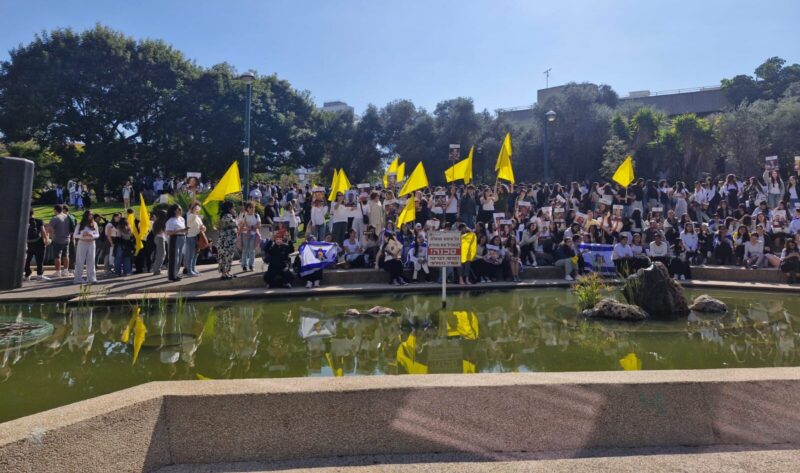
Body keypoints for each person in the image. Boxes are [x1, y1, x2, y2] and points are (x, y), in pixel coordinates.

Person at [72, 210, 99, 284]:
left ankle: (91, 278)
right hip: (82, 243)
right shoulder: (80, 224)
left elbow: (97, 234)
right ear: (86, 215)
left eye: (92, 215)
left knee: (91, 261)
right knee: (80, 261)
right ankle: (78, 279)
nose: (91, 216)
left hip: (92, 243)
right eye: (90, 214)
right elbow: (75, 235)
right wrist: (82, 235)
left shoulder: (94, 224)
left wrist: (92, 235)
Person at [25, 210, 49, 281]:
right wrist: (46, 240)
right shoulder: (39, 221)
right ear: (33, 213)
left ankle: (27, 275)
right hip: (39, 243)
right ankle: (39, 275)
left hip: (29, 243)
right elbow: (43, 231)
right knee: (40, 260)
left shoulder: (24, 221)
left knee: (27, 260)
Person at [165, 204, 188, 281]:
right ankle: (172, 276)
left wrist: (185, 230)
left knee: (180, 257)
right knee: (175, 258)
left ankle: (176, 274)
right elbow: (168, 232)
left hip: (182, 237)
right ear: (174, 211)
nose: (180, 211)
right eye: (179, 209)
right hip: (175, 238)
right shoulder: (170, 220)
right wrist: (179, 231)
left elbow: (183, 228)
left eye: (181, 209)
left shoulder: (182, 219)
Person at [48, 205, 72, 278]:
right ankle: (65, 271)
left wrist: (50, 237)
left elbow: (49, 229)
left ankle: (58, 271)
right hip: (67, 238)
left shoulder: (55, 218)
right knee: (66, 255)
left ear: (55, 210)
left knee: (57, 256)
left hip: (57, 239)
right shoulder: (68, 217)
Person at [217, 201, 238, 280]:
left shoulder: (228, 215)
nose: (234, 208)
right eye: (233, 207)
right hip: (226, 241)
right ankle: (224, 274)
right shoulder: (227, 216)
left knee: (229, 256)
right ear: (229, 208)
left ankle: (227, 272)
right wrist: (235, 215)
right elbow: (236, 223)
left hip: (229, 241)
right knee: (225, 256)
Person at [183, 203, 206, 276]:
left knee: (195, 254)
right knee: (191, 255)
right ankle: (189, 271)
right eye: (196, 208)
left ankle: (193, 269)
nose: (197, 209)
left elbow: (202, 226)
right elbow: (191, 220)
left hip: (197, 237)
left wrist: (203, 228)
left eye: (198, 207)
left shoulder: (197, 217)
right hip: (191, 237)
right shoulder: (190, 216)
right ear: (191, 209)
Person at [238, 202, 261, 272]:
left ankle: (251, 265)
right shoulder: (243, 215)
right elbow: (240, 226)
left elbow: (259, 225)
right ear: (247, 208)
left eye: (253, 207)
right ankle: (244, 266)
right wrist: (244, 223)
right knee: (245, 250)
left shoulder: (257, 215)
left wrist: (250, 227)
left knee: (252, 250)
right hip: (245, 234)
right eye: (250, 207)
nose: (252, 209)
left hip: (253, 234)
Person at [151, 210, 168, 276]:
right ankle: (157, 270)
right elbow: (165, 231)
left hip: (156, 238)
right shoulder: (163, 222)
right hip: (160, 238)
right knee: (161, 255)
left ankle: (157, 269)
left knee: (160, 254)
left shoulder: (156, 222)